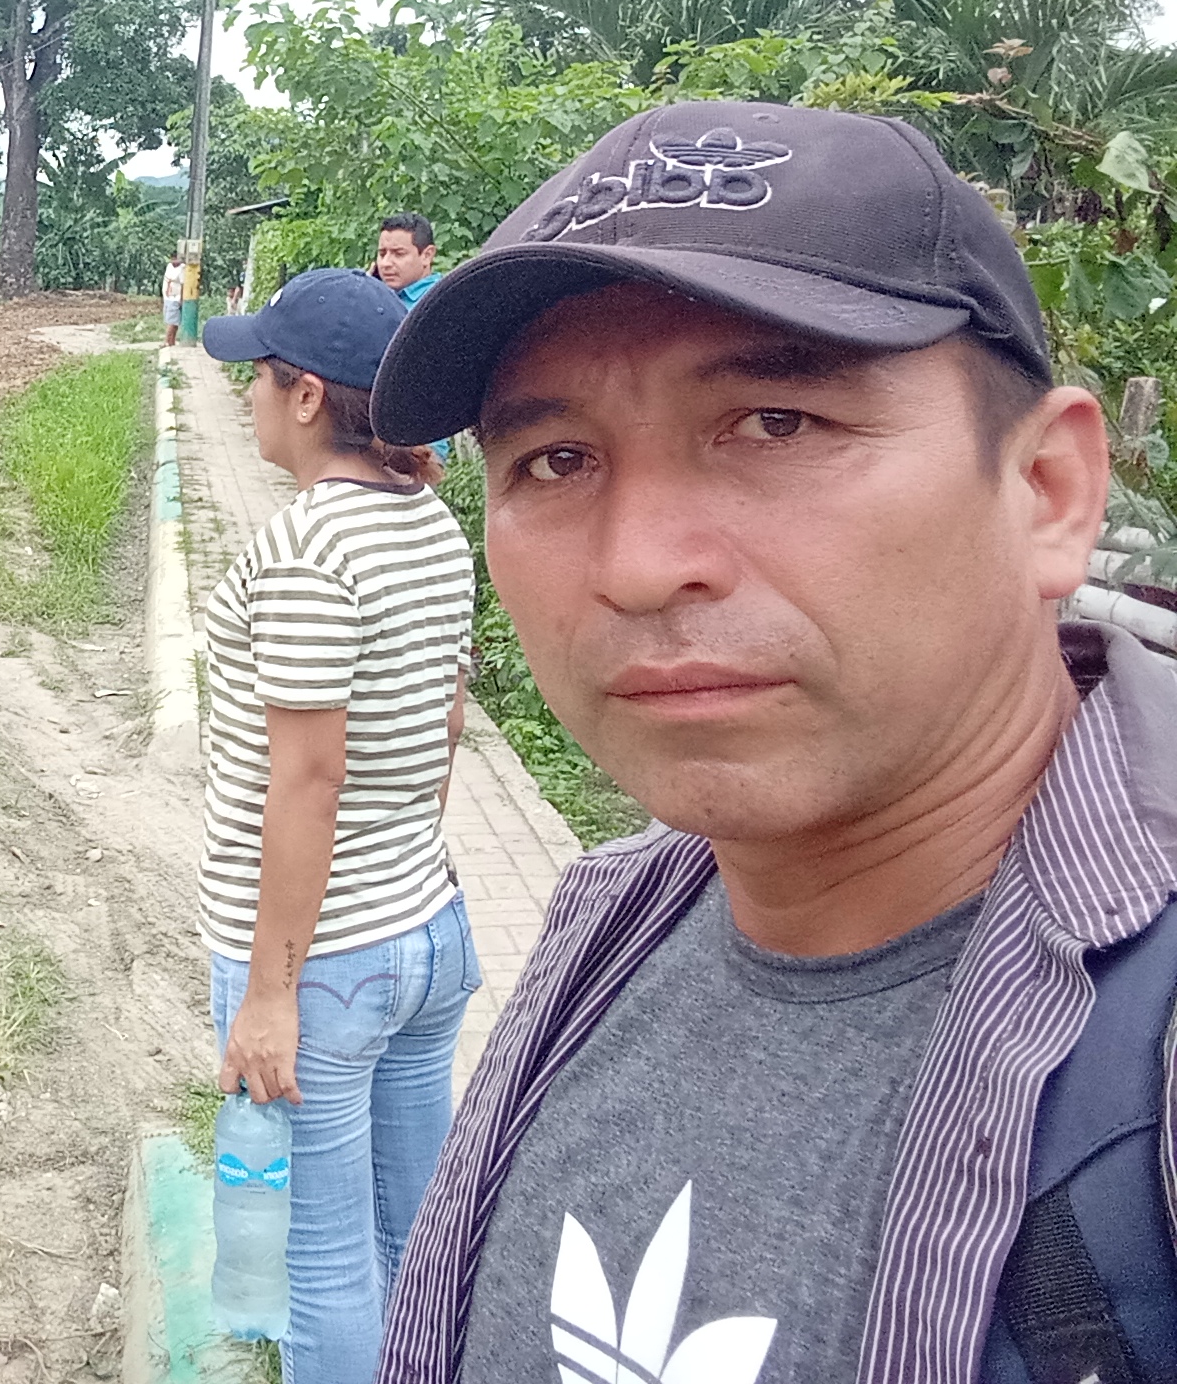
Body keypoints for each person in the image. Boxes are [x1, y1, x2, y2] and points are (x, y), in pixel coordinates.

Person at [364, 103, 1177, 1382]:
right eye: (557, 460)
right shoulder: (610, 923)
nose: (639, 565)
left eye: (776, 423)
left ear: (1047, 492)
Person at [195, 269, 483, 1384]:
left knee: (320, 1269)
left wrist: (273, 995)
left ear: (307, 396)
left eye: (259, 378)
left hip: (323, 968)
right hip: (426, 930)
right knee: (415, 1235)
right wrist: (400, 868)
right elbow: (447, 725)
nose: (248, 399)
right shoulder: (433, 523)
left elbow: (307, 782)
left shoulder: (309, 548)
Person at [374, 214, 440, 308]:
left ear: (427, 255)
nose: (385, 263)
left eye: (399, 254)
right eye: (382, 254)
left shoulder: (441, 300)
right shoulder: (374, 297)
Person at [163, 254, 187, 346]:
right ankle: (171, 341)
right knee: (170, 320)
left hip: (175, 297)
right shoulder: (169, 266)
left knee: (172, 322)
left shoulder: (182, 269)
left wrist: (181, 299)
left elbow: (183, 285)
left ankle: (167, 341)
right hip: (167, 296)